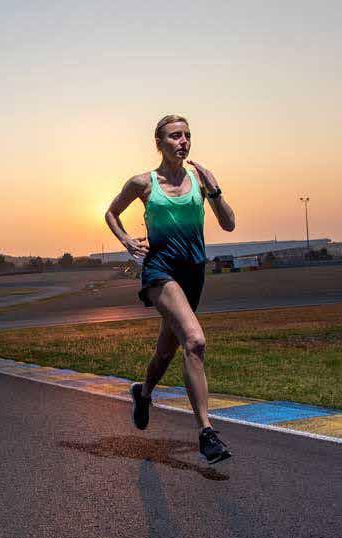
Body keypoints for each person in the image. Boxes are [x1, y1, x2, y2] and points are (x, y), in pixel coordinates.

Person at [104, 114, 237, 463]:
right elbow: (111, 213)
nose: (183, 141)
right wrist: (127, 241)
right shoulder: (142, 183)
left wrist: (215, 188)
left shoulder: (199, 179)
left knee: (167, 349)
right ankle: (207, 433)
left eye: (187, 136)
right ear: (159, 143)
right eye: (175, 136)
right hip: (160, 272)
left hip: (193, 273)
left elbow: (229, 225)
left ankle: (144, 393)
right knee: (195, 340)